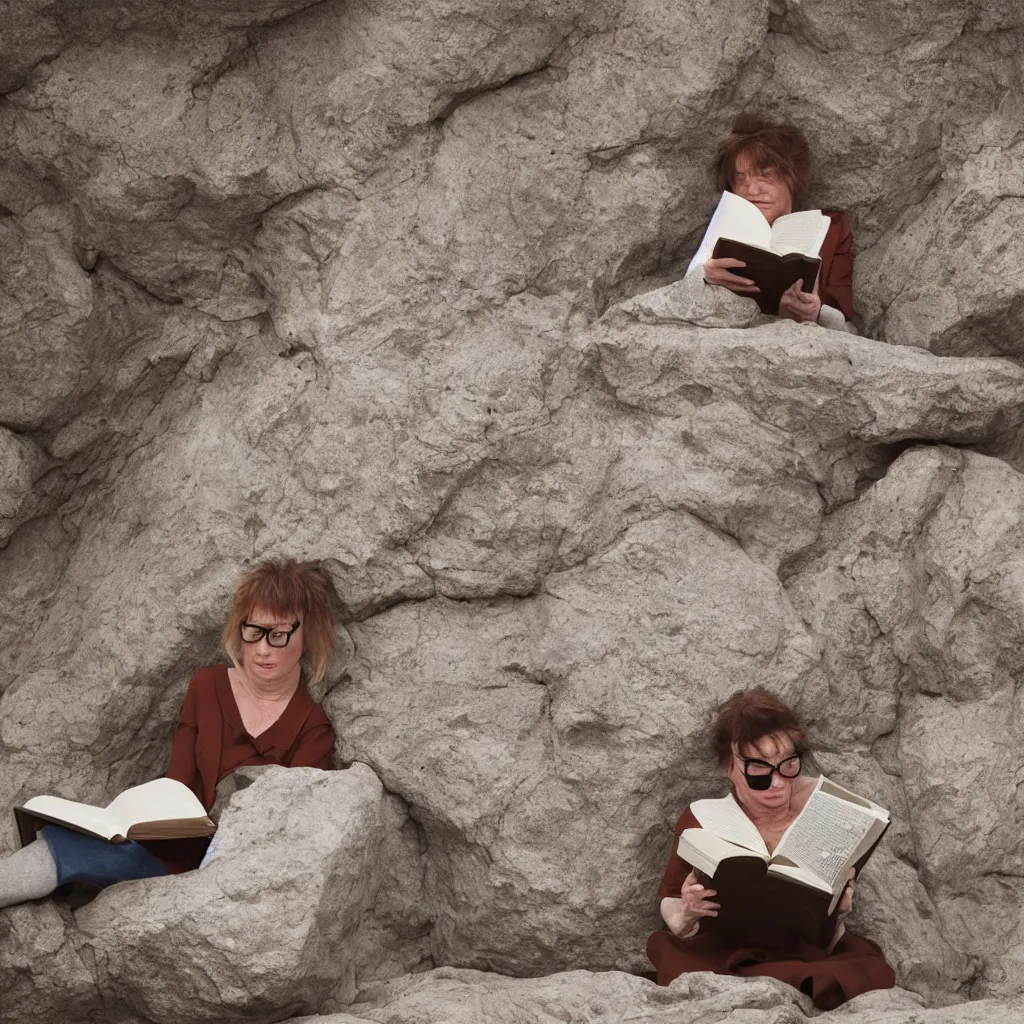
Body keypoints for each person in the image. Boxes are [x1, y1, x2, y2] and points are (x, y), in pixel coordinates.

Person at [0, 557, 340, 908]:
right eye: (252, 631)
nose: (263, 649)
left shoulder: (313, 729)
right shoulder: (206, 686)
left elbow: (289, 832)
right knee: (65, 841)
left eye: (279, 634)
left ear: (308, 634)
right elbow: (176, 783)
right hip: (169, 848)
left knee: (69, 851)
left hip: (233, 872)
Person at [646, 687, 895, 1009]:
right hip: (723, 948)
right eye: (759, 770)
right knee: (675, 957)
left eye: (788, 764)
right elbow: (671, 894)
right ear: (729, 768)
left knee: (866, 969)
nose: (777, 782)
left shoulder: (828, 807)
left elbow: (829, 906)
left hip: (805, 950)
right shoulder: (703, 817)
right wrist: (686, 915)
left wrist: (839, 906)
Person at [684, 114, 856, 333]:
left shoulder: (832, 229)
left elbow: (853, 332)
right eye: (741, 180)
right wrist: (704, 278)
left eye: (765, 176)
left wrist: (817, 314)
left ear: (791, 179)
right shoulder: (723, 228)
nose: (753, 191)